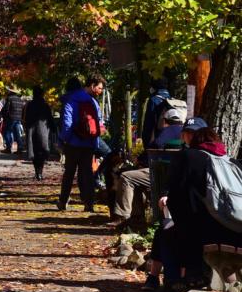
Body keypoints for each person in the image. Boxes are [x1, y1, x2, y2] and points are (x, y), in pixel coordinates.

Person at [154, 120, 242, 292]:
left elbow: (177, 199)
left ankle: (173, 286)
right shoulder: (231, 163)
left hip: (207, 232)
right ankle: (227, 286)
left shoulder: (187, 157)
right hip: (237, 231)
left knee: (166, 232)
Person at [111, 106, 185, 232]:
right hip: (180, 176)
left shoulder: (164, 132)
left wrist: (140, 161)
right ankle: (136, 219)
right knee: (135, 181)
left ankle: (124, 217)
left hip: (160, 174)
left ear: (165, 121)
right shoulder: (185, 132)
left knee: (127, 177)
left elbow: (152, 151)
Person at [58, 74, 105, 212]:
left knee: (69, 173)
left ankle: (63, 201)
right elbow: (99, 123)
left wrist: (64, 140)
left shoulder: (71, 100)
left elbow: (67, 123)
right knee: (87, 174)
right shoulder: (93, 102)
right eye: (99, 88)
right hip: (88, 144)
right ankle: (88, 203)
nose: (100, 91)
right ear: (92, 86)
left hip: (73, 143)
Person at [23, 87, 53, 180]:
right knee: (42, 152)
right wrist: (53, 129)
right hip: (43, 130)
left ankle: (37, 172)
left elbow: (24, 118)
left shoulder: (29, 105)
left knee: (34, 152)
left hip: (31, 130)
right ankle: (40, 172)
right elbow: (50, 119)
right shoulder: (45, 105)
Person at [142, 79, 172, 149]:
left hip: (157, 138)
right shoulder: (171, 100)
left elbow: (149, 122)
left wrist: (146, 141)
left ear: (154, 87)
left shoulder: (153, 100)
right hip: (171, 137)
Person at [1, 88, 27, 154]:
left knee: (7, 132)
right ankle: (20, 148)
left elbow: (6, 109)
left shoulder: (9, 98)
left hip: (10, 118)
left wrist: (4, 116)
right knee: (17, 133)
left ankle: (8, 148)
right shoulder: (20, 100)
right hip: (18, 119)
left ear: (10, 92)